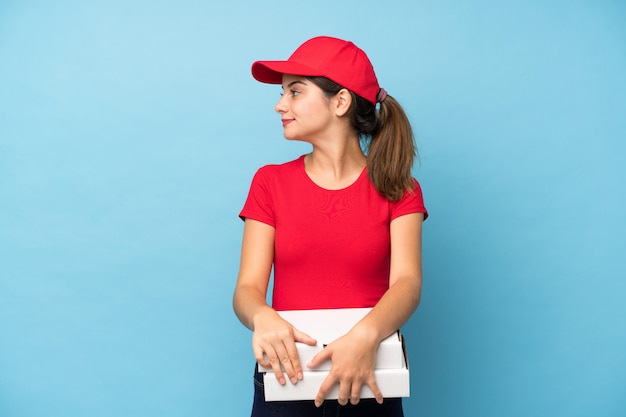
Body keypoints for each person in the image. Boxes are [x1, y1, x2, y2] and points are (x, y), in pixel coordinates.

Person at [233, 36, 428, 417]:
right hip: (287, 375)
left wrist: (366, 336)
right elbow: (247, 289)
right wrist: (262, 317)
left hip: (369, 377)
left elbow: (407, 283)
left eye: (295, 92)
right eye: (282, 93)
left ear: (340, 101)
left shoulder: (399, 187)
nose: (280, 105)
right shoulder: (269, 183)